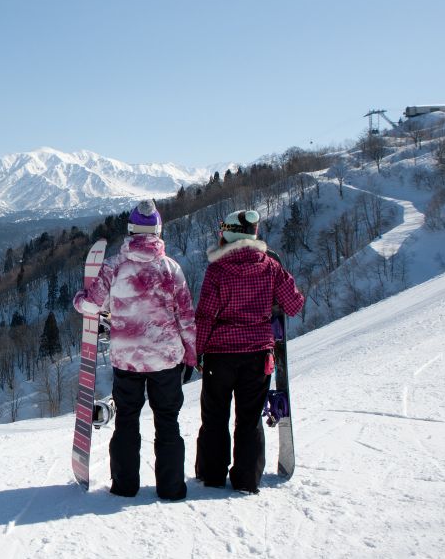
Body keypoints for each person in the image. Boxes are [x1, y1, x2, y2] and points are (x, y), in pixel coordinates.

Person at [72, 200, 197, 500]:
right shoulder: (170, 269)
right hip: (166, 361)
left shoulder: (115, 267)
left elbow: (91, 305)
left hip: (127, 361)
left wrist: (79, 298)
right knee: (167, 421)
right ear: (158, 231)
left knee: (127, 421)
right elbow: (187, 318)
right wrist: (192, 354)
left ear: (130, 230)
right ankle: (171, 488)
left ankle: (125, 486)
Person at [194, 209, 304, 494]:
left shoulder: (217, 269)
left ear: (229, 234)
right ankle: (247, 478)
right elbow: (293, 305)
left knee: (215, 416)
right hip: (258, 354)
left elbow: (205, 315)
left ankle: (212, 475)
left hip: (220, 354)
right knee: (250, 418)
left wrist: (196, 351)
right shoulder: (270, 267)